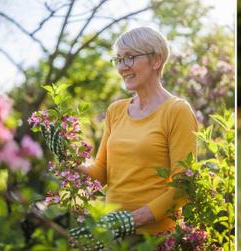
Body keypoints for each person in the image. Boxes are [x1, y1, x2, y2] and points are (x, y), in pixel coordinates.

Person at [69, 27, 198, 248]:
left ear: (156, 60)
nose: (122, 67)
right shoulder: (116, 111)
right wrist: (68, 157)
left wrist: (131, 220)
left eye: (129, 58)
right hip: (113, 235)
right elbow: (102, 172)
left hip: (155, 238)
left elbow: (183, 186)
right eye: (118, 59)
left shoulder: (177, 111)